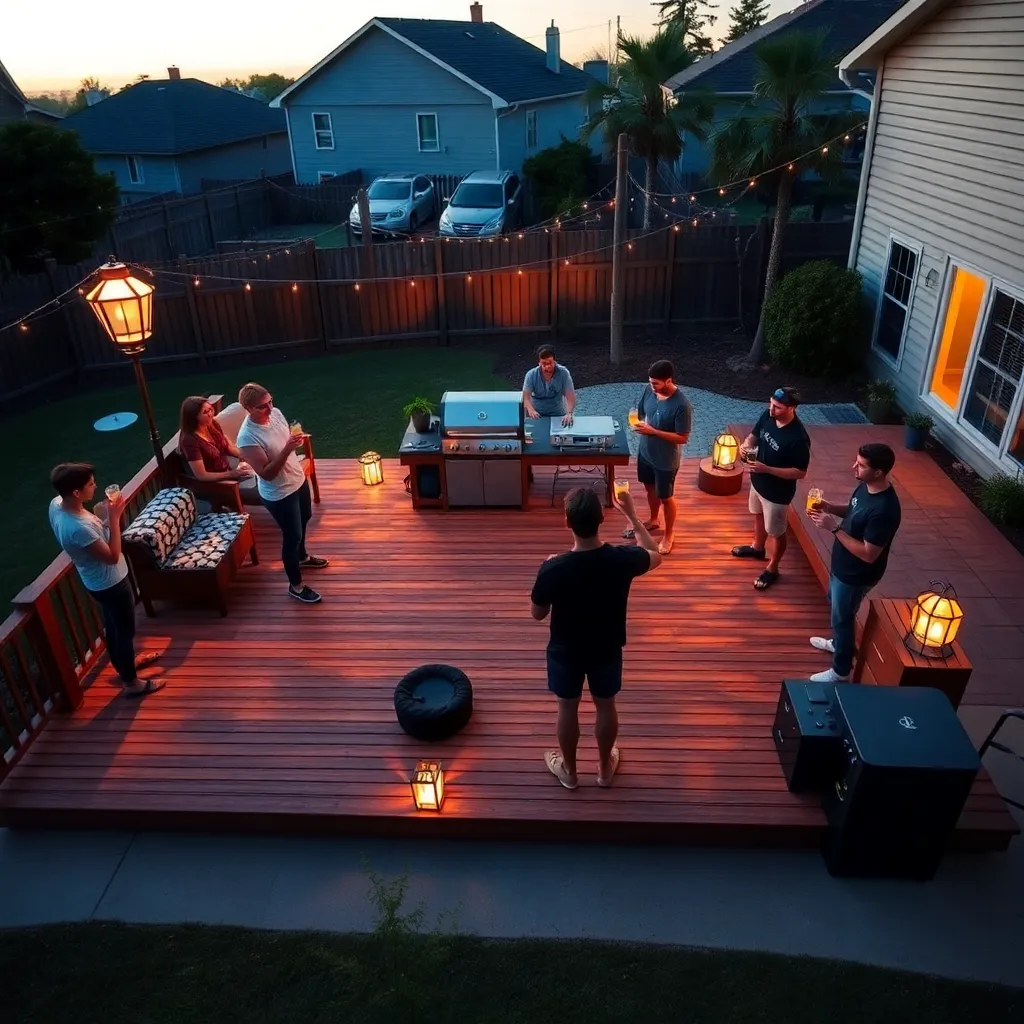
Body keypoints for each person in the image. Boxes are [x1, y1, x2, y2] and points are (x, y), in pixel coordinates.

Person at [530, 486, 663, 790]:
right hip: (607, 646)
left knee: (567, 707)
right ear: (602, 518)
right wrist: (630, 512)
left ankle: (569, 771)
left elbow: (537, 613)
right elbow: (656, 553)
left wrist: (544, 571)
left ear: (567, 522)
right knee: (606, 705)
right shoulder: (622, 559)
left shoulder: (554, 568)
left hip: (566, 650)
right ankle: (604, 771)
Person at [48, 463, 164, 698]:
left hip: (94, 581)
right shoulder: (78, 529)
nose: (96, 486)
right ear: (76, 493)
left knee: (114, 628)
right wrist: (114, 517)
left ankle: (126, 663)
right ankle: (132, 684)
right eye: (90, 484)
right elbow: (112, 557)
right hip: (111, 583)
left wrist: (101, 518)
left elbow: (95, 540)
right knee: (124, 631)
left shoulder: (57, 505)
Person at [807, 443, 902, 683]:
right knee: (834, 605)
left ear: (879, 472)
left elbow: (870, 554)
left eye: (860, 465)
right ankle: (839, 644)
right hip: (842, 567)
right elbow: (853, 510)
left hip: (856, 575)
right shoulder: (865, 487)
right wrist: (829, 506)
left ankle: (840, 670)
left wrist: (833, 527)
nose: (854, 467)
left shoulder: (884, 510)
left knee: (843, 618)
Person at [236, 382, 328, 604]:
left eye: (270, 402)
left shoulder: (275, 413)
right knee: (292, 536)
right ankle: (295, 586)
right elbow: (266, 473)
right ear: (248, 408)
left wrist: (295, 440)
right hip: (278, 493)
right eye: (262, 406)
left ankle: (302, 557)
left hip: (297, 479)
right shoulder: (247, 437)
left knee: (305, 517)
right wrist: (288, 448)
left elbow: (284, 438)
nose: (269, 408)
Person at [732, 387, 811, 590]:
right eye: (771, 404)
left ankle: (773, 568)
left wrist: (766, 468)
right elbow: (754, 436)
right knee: (757, 514)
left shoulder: (798, 438)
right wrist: (745, 445)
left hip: (777, 494)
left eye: (777, 407)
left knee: (776, 531)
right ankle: (757, 548)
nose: (771, 409)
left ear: (791, 408)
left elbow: (799, 472)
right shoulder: (767, 416)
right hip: (758, 482)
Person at [629, 359, 692, 555]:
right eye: (650, 382)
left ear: (668, 381)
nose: (652, 386)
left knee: (666, 496)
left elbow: (682, 438)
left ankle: (669, 534)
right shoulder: (649, 391)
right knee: (649, 488)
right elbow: (640, 414)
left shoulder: (682, 405)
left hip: (666, 460)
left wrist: (654, 432)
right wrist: (638, 424)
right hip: (646, 452)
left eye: (656, 383)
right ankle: (654, 519)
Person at [177, 396, 253, 484]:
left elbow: (226, 444)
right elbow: (202, 475)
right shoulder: (189, 441)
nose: (210, 414)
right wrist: (231, 474)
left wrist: (242, 455)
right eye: (205, 412)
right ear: (193, 417)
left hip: (228, 469)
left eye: (210, 409)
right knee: (263, 486)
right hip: (220, 483)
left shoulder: (211, 423)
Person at [522, 345, 575, 425]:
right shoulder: (531, 375)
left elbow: (570, 396)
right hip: (536, 414)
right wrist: (531, 410)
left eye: (550, 363)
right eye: (544, 364)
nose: (548, 366)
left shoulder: (563, 373)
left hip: (557, 413)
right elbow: (526, 398)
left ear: (555, 361)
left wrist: (569, 413)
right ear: (539, 363)